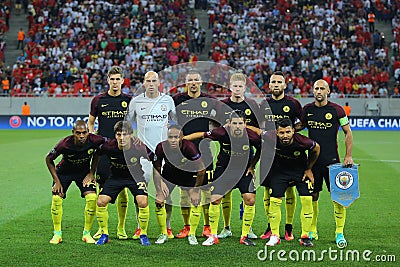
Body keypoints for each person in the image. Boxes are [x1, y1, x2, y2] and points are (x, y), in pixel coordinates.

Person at [185, 110, 261, 246]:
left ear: (245, 124)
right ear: (229, 124)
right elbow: (201, 135)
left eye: (240, 123)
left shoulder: (252, 137)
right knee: (215, 199)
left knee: (250, 199)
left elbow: (261, 149)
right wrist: (183, 139)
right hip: (224, 170)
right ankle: (213, 235)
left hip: (243, 171)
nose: (237, 126)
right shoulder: (221, 133)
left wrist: (252, 166)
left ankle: (245, 235)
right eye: (234, 123)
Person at [298, 79, 353, 247]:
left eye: (322, 88)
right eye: (316, 88)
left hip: (333, 162)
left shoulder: (337, 110)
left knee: (338, 198)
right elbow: (300, 125)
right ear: (313, 91)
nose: (319, 91)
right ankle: (313, 229)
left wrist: (348, 156)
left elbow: (348, 132)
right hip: (313, 163)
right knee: (313, 196)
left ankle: (339, 233)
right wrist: (285, 130)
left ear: (328, 91)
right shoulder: (307, 110)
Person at [253, 118, 320, 247]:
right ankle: (275, 235)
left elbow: (317, 148)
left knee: (307, 199)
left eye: (288, 132)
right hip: (280, 172)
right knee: (274, 201)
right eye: (282, 133)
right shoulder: (269, 136)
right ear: (276, 133)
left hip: (299, 171)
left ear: (293, 131)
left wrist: (309, 168)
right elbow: (258, 132)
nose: (285, 136)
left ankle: (305, 236)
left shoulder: (302, 141)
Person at [127, 70, 176, 239]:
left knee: (165, 192)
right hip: (143, 157)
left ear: (159, 83)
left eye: (154, 81)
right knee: (141, 192)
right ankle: (140, 226)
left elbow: (175, 123)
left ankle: (167, 227)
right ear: (144, 83)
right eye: (148, 81)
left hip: (164, 155)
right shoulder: (136, 102)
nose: (151, 84)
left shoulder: (168, 101)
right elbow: (126, 125)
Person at [85, 121, 151, 246]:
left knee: (143, 201)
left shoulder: (139, 146)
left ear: (131, 135)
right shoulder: (109, 146)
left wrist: (159, 183)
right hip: (116, 177)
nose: (121, 138)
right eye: (118, 134)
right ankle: (104, 234)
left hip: (135, 177)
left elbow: (154, 159)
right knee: (101, 201)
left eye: (125, 134)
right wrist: (91, 172)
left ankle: (143, 234)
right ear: (115, 135)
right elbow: (96, 154)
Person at [88, 66, 132, 240]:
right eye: (112, 79)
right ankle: (102, 228)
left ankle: (121, 227)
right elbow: (91, 121)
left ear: (122, 80)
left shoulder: (129, 100)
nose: (115, 82)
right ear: (108, 80)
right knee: (102, 188)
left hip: (123, 150)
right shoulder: (98, 100)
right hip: (104, 151)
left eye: (117, 79)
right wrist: (93, 137)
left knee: (122, 188)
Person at [172, 70, 217, 239]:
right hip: (183, 150)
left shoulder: (210, 100)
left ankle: (206, 226)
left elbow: (221, 118)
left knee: (206, 190)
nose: (192, 83)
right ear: (185, 83)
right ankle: (186, 226)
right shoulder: (177, 100)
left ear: (200, 82)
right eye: (189, 80)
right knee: (184, 191)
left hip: (204, 148)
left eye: (195, 80)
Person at [258, 71, 303, 241]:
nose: (276, 85)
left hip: (289, 154)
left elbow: (301, 122)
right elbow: (259, 125)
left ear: (285, 85)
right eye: (273, 82)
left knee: (290, 189)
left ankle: (288, 228)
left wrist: (290, 135)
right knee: (268, 190)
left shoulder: (293, 104)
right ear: (269, 85)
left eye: (279, 82)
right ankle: (271, 226)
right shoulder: (263, 104)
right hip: (269, 153)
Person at [45, 120, 106, 244]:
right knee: (57, 199)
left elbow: (99, 152)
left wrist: (92, 172)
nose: (82, 136)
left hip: (83, 173)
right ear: (73, 133)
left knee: (92, 197)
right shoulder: (64, 144)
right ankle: (57, 234)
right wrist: (57, 181)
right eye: (78, 133)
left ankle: (87, 233)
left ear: (88, 132)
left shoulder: (95, 140)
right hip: (64, 173)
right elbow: (48, 159)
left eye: (84, 133)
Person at [216, 72, 260, 240]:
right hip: (226, 157)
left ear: (245, 87)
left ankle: (247, 229)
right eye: (234, 86)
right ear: (230, 86)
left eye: (240, 86)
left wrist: (245, 129)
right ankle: (226, 227)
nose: (237, 89)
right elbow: (215, 126)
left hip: (246, 157)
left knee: (247, 195)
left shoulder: (252, 105)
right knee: (224, 194)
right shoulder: (222, 105)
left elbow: (258, 129)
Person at [151, 124, 206, 245]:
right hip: (170, 174)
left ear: (181, 137)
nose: (173, 140)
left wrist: (196, 190)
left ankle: (192, 234)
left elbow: (201, 169)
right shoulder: (161, 147)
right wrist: (159, 189)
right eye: (170, 137)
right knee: (160, 200)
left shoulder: (189, 147)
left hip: (187, 174)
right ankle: (164, 233)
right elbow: (156, 170)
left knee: (196, 201)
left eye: (176, 137)